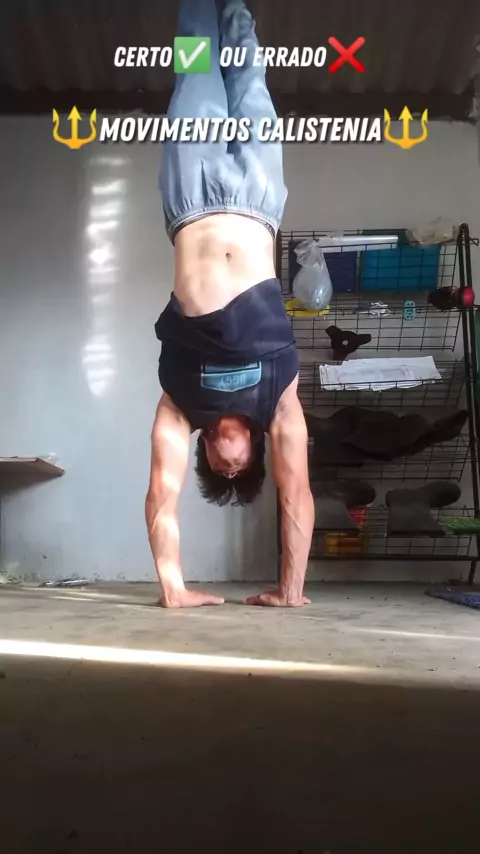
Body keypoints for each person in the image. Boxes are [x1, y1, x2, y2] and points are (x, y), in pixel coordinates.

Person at [145, 0, 314, 608]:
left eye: (221, 471)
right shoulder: (280, 401)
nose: (230, 464)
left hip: (191, 194)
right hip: (260, 201)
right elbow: (296, 494)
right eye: (241, 470)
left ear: (208, 454)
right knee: (247, 67)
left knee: (195, 67)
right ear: (256, 451)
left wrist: (173, 588)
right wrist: (291, 591)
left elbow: (162, 494)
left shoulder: (180, 403)